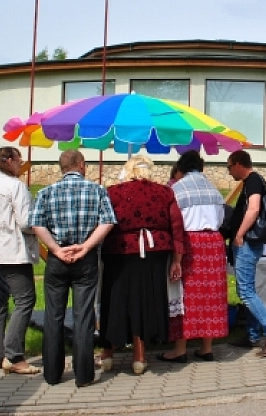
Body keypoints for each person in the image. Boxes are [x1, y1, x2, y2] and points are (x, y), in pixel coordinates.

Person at [30, 150, 116, 387]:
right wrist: (87, 246)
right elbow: (108, 221)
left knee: (53, 315)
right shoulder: (98, 191)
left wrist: (55, 249)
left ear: (61, 167)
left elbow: (36, 223)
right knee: (84, 316)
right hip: (85, 258)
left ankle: (52, 374)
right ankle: (84, 374)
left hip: (58, 258)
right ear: (81, 165)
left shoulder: (46, 192)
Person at [98, 155, 185, 374]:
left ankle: (108, 353)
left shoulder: (113, 192)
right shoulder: (165, 192)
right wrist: (177, 259)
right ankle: (139, 356)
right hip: (154, 253)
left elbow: (103, 221)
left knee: (115, 299)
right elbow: (177, 227)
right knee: (144, 301)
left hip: (119, 251)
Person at [160, 151, 227, 363]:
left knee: (184, 295)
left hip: (189, 243)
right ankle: (206, 348)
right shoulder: (214, 190)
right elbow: (221, 218)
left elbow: (172, 222)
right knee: (211, 295)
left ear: (181, 168)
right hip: (214, 243)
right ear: (201, 167)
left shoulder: (176, 190)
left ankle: (180, 349)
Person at [0, 147, 41, 375]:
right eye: (19, 160)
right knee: (25, 300)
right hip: (12, 251)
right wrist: (40, 227)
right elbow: (25, 221)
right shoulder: (15, 186)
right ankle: (14, 354)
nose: (20, 164)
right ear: (8, 161)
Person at [226, 150, 266, 357]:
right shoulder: (251, 181)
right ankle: (252, 334)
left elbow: (253, 209)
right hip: (248, 243)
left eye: (229, 166)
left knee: (245, 291)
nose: (229, 171)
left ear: (238, 164)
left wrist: (240, 234)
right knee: (248, 289)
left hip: (247, 243)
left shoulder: (252, 180)